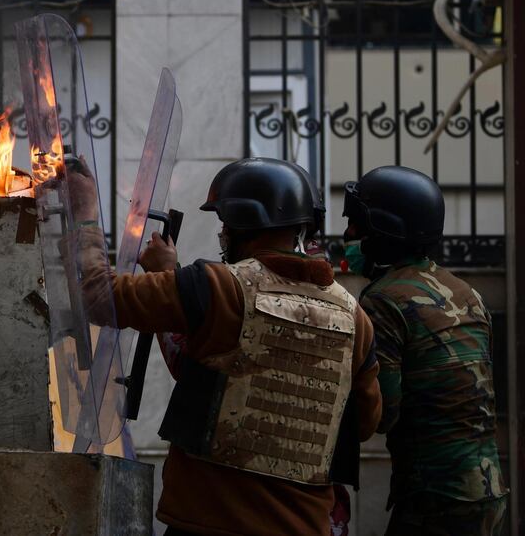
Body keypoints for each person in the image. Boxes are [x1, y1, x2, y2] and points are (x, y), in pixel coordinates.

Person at [70, 157, 382, 536]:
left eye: (224, 224)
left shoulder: (217, 287)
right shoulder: (355, 317)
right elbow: (363, 424)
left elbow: (98, 296)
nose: (222, 234)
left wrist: (85, 215)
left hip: (209, 523)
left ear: (241, 224)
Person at [341, 166, 508, 536]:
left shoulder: (384, 299)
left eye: (357, 225)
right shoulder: (466, 293)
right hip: (489, 489)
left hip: (435, 496)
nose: (349, 235)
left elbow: (383, 414)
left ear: (385, 231)